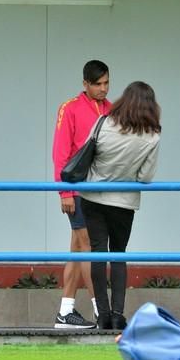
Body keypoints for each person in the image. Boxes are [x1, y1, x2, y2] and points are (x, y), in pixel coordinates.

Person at [79, 81, 161, 330]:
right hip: (124, 202)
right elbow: (145, 177)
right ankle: (117, 314)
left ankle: (101, 315)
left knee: (98, 252)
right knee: (118, 255)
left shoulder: (103, 123)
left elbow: (86, 152)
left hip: (93, 197)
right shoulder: (152, 136)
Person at [52, 60, 112, 329]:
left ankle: (66, 312)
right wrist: (64, 191)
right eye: (98, 84)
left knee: (77, 250)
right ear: (85, 84)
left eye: (106, 83)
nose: (103, 88)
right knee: (88, 248)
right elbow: (61, 152)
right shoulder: (70, 109)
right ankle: (101, 311)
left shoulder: (112, 110)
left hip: (99, 192)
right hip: (76, 189)